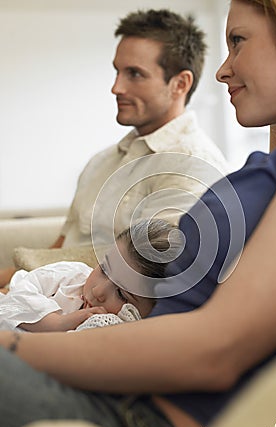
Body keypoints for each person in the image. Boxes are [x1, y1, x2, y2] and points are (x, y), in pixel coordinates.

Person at [0, 1, 276, 427]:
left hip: (146, 415)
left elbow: (216, 348)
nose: (222, 70)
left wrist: (16, 348)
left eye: (238, 41)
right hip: (125, 383)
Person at [0, 8, 231, 289]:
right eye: (117, 71)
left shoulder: (191, 164)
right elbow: (59, 248)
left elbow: (149, 273)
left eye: (134, 74)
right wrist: (15, 281)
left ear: (180, 84)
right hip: (43, 293)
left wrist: (17, 281)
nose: (116, 87)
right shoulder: (102, 162)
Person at [0, 219, 181, 332]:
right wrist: (56, 323)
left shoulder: (115, 328)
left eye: (121, 294)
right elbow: (19, 292)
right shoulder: (73, 275)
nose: (98, 290)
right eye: (104, 269)